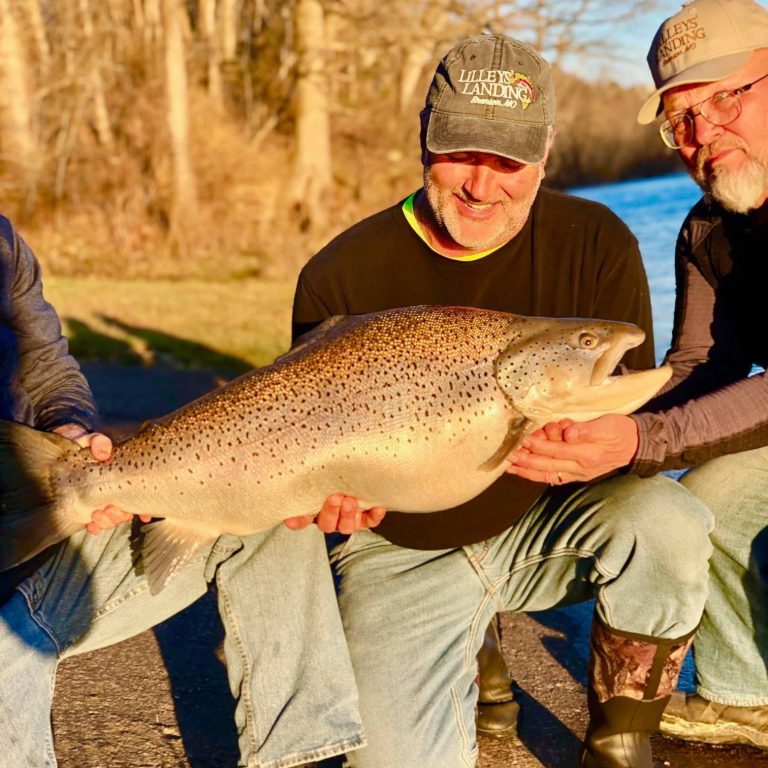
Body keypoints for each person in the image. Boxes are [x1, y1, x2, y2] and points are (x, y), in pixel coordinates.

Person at [292, 33, 714, 768]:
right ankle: (477, 651)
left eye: (509, 162)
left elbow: (629, 436)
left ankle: (623, 737)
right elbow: (310, 459)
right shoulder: (339, 276)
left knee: (670, 520)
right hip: (402, 548)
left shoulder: (598, 244)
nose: (482, 187)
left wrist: (613, 442)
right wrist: (329, 498)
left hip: (547, 518)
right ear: (424, 135)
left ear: (546, 152)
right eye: (460, 153)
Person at [0, 218, 372, 767]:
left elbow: (49, 374)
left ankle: (299, 756)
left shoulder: (3, 243)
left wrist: (70, 431)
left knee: (264, 498)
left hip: (41, 554)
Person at [507, 0, 768, 753]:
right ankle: (747, 694)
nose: (702, 133)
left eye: (726, 97)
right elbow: (701, 366)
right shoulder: (706, 228)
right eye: (679, 117)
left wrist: (639, 441)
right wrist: (592, 423)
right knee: (713, 492)